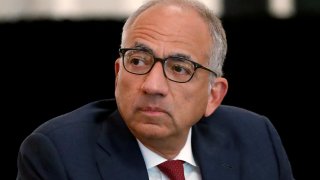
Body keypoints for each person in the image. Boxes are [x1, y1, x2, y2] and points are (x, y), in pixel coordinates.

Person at [16, 0, 294, 179]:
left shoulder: (257, 139)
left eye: (179, 68)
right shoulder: (57, 155)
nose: (153, 85)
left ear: (213, 95)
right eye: (137, 61)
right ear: (117, 74)